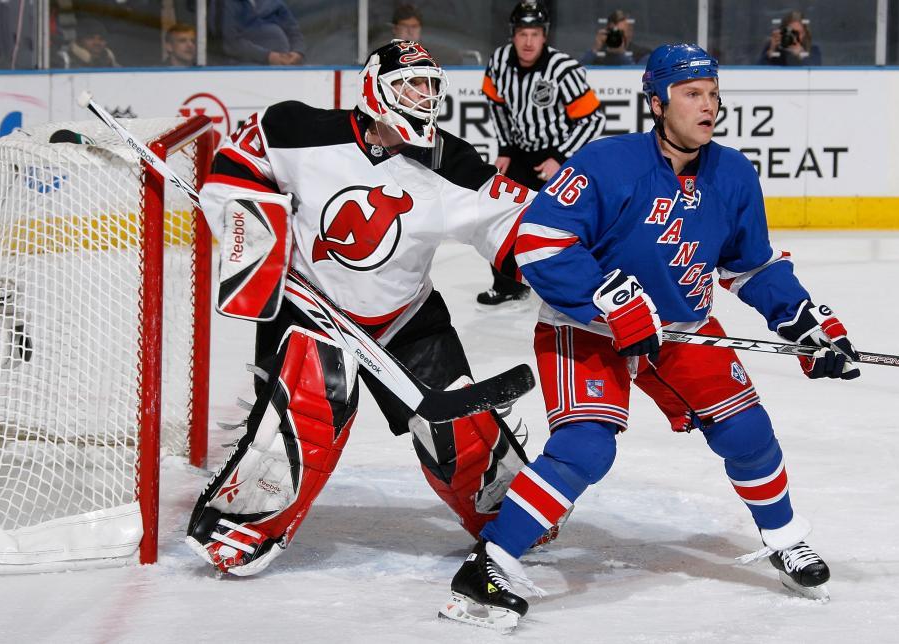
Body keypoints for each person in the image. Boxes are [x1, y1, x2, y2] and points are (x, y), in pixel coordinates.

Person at [442, 44, 860, 630]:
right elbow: (538, 242)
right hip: (583, 327)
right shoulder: (608, 164)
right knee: (587, 447)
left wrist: (805, 322)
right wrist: (610, 299)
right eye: (693, 95)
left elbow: (751, 266)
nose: (708, 107)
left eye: (713, 94)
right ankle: (489, 566)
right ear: (658, 102)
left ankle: (785, 537)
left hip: (681, 330)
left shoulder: (733, 174)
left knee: (747, 430)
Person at [185, 40, 543, 576]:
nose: (422, 99)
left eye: (430, 87)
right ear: (376, 87)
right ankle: (242, 523)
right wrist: (253, 232)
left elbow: (517, 227)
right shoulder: (300, 130)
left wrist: (568, 270)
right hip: (313, 309)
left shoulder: (452, 162)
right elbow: (240, 163)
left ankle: (504, 510)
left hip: (405, 315)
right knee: (303, 415)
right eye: (409, 86)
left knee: (460, 426)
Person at [477, 0, 605, 306]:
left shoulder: (563, 69)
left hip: (559, 154)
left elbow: (593, 119)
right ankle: (509, 285)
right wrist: (506, 148)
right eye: (522, 33)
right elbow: (497, 106)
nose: (528, 41)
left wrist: (559, 157)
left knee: (567, 224)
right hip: (520, 152)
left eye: (535, 33)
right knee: (501, 216)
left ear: (544, 35)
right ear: (513, 35)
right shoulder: (498, 62)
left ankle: (584, 288)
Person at [212, 0, 305, 66]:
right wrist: (269, 57)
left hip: (284, 69)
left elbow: (293, 31)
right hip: (244, 70)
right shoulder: (224, 3)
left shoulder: (274, 2)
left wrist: (297, 52)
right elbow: (230, 42)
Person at [580, 9, 651, 66]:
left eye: (620, 32)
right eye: (612, 32)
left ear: (630, 32)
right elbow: (579, 73)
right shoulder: (597, 57)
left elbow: (639, 77)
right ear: (606, 32)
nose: (615, 36)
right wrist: (595, 49)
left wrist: (622, 54)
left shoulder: (641, 54)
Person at [758, 11, 822, 66]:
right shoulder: (775, 49)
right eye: (791, 32)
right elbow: (757, 72)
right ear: (783, 32)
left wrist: (801, 55)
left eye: (798, 33)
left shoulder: (813, 50)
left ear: (804, 34)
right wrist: (771, 52)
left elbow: (815, 72)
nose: (795, 37)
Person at [55, 19, 120, 68]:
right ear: (79, 41)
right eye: (90, 38)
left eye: (101, 39)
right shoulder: (64, 61)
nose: (97, 42)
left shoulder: (111, 62)